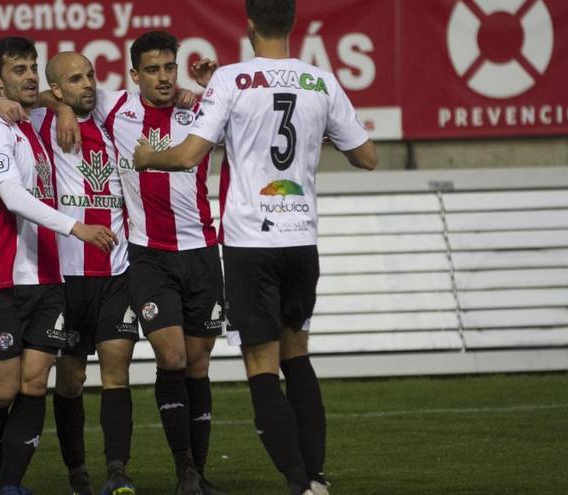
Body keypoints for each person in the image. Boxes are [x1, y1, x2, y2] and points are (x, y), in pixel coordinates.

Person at [131, 2, 378, 494]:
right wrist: (318, 132)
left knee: (261, 366)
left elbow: (187, 156)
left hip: (249, 243)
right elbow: (366, 157)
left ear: (248, 26)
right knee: (298, 358)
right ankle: (317, 477)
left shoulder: (232, 81)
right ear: (292, 24)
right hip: (302, 242)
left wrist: (146, 158)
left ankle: (298, 484)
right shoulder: (321, 82)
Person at [0, 52, 139, 495]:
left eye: (31, 69)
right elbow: (11, 192)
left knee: (36, 382)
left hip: (49, 277)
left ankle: (16, 484)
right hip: (2, 279)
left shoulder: (35, 124)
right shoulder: (2, 127)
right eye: (18, 70)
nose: (28, 78)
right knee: (5, 391)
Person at [73, 30, 226, 495]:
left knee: (197, 365)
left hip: (202, 251)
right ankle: (184, 470)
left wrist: (213, 83)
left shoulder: (199, 108)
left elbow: (248, 116)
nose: (163, 77)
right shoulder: (114, 106)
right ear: (134, 74)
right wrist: (60, 106)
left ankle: (196, 474)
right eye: (153, 70)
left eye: (169, 68)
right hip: (148, 257)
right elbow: (61, 91)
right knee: (173, 356)